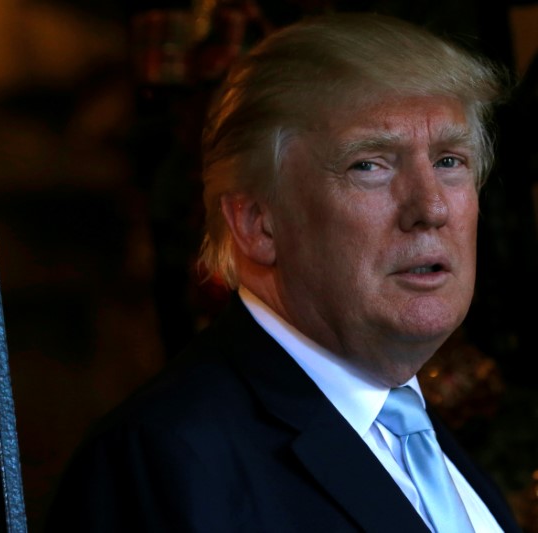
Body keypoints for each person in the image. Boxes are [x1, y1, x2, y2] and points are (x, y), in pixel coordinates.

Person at [45, 12, 522, 532]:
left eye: (450, 160)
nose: (431, 207)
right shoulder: (164, 460)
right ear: (258, 225)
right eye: (370, 164)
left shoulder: (422, 437)